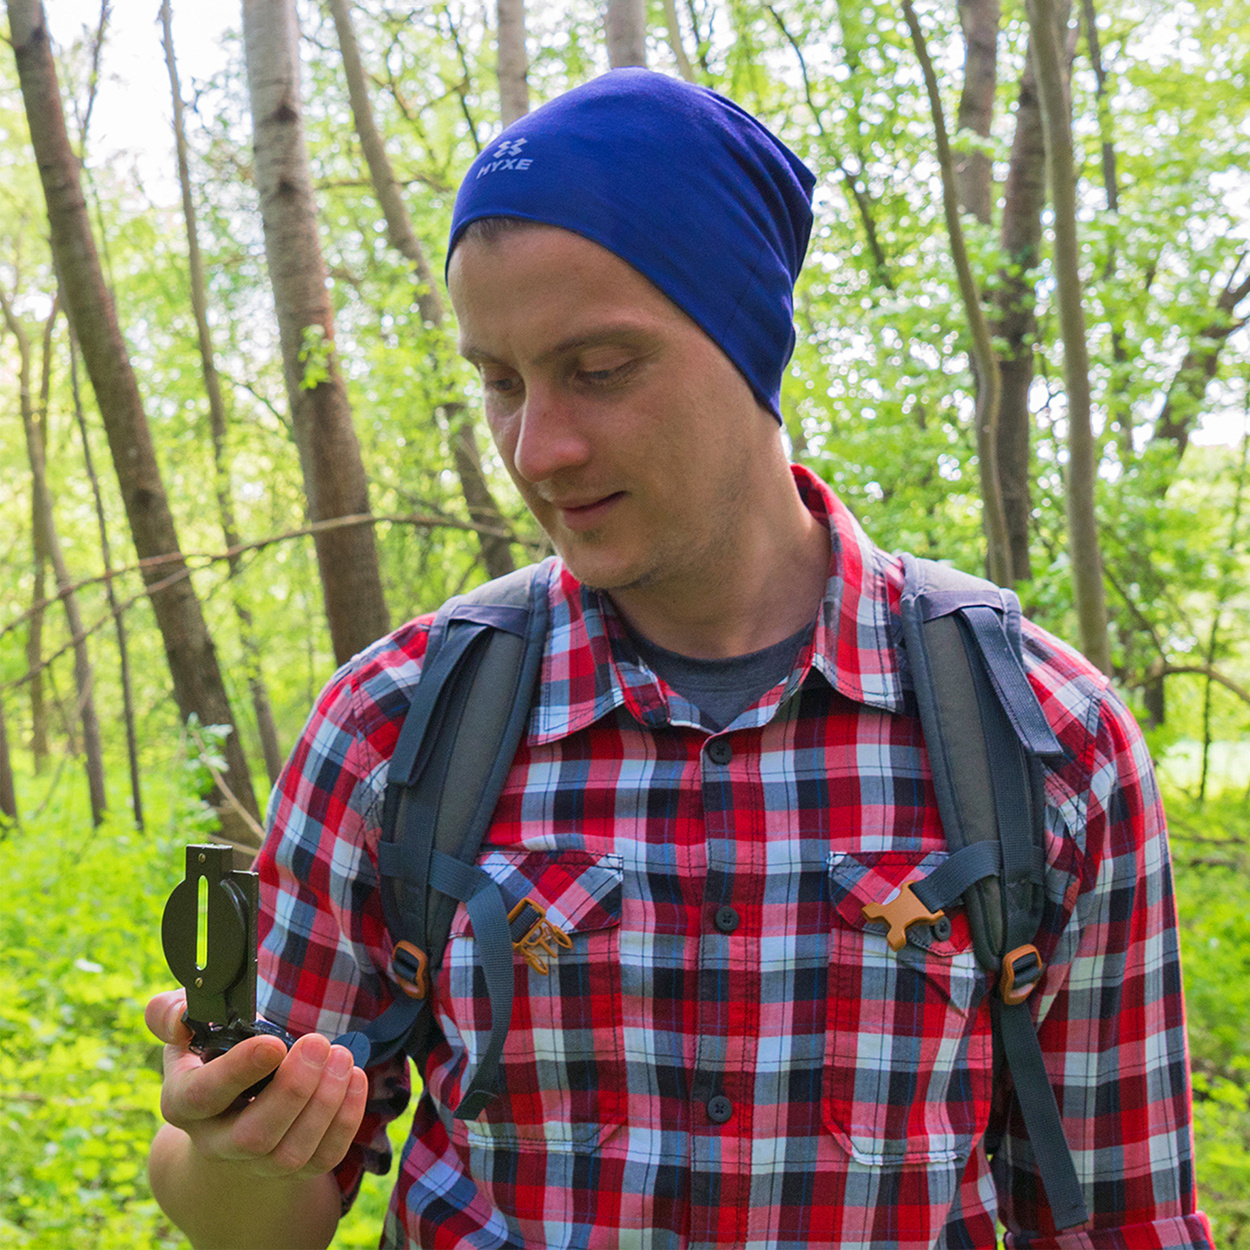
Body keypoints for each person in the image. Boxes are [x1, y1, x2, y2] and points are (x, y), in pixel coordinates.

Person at [146, 68, 1213, 1250]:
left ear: (748, 342)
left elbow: (1120, 1215)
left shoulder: (1046, 740)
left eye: (599, 369)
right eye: (498, 381)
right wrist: (230, 1145)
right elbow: (257, 1215)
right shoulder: (392, 727)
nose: (536, 448)